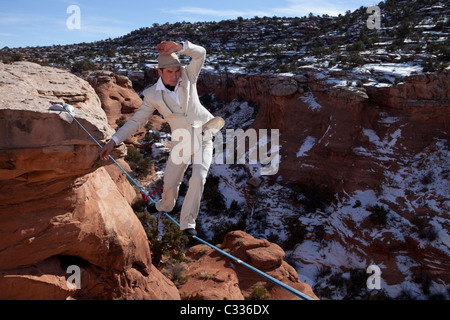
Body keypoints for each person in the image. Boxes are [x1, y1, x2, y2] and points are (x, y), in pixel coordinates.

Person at [100, 40, 223, 237]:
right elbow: (136, 121)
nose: (175, 76)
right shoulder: (151, 95)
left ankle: (187, 223)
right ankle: (164, 205)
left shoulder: (189, 76)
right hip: (181, 142)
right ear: (160, 72)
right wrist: (114, 140)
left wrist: (180, 47)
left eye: (177, 71)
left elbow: (201, 53)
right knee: (170, 182)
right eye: (170, 72)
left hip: (204, 135)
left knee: (199, 177)